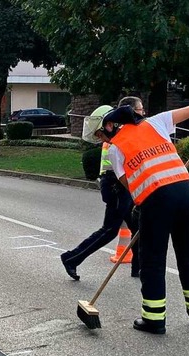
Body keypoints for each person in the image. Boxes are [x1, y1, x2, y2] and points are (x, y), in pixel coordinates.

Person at [101, 96, 189, 334]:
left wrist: (142, 206)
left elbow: (129, 183)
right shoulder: (155, 122)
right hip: (183, 189)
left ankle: (154, 319)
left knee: (152, 259)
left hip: (155, 198)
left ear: (112, 127)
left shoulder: (116, 149)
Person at [60, 104, 140, 280]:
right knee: (110, 230)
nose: (101, 137)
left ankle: (139, 267)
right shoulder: (117, 139)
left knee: (136, 226)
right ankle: (71, 258)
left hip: (115, 183)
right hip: (116, 185)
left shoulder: (118, 135)